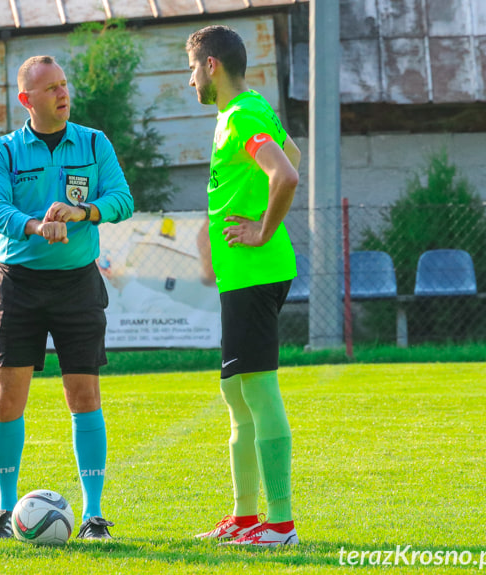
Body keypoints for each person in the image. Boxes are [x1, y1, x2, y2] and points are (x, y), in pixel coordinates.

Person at [0, 55, 134, 541]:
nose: (62, 94)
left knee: (83, 395)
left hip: (77, 285)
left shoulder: (93, 142)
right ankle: (5, 511)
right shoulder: (3, 150)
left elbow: (123, 200)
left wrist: (82, 211)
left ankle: (92, 516)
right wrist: (34, 225)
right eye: (50, 89)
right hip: (18, 284)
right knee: (7, 399)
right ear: (26, 100)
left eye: (64, 85)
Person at [185, 26, 302, 547]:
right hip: (245, 275)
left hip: (256, 273)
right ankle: (247, 517)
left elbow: (286, 174)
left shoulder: (243, 115)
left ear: (211, 65)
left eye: (191, 68)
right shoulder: (246, 111)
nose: (190, 80)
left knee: (257, 387)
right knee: (235, 389)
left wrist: (261, 227)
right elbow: (292, 153)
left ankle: (280, 524)